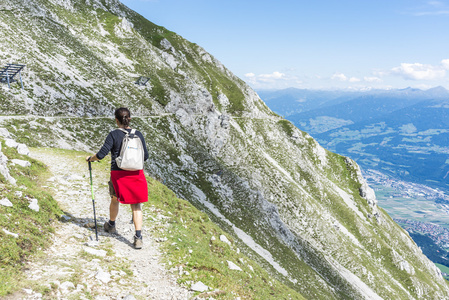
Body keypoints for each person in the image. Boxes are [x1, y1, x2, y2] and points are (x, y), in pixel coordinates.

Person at [86, 107, 149, 249]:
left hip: (118, 174)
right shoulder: (138, 134)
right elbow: (145, 156)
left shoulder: (113, 134)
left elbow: (101, 154)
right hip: (136, 174)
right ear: (130, 119)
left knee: (115, 199)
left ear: (116, 120)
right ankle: (138, 237)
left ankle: (111, 225)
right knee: (137, 205)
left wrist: (90, 159)